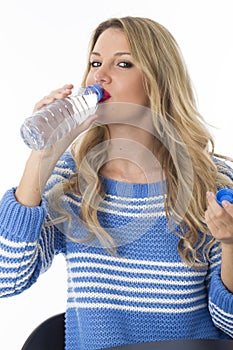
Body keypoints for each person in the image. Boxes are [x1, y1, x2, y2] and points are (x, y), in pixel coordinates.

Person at [0, 16, 233, 350]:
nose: (99, 75)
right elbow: (6, 278)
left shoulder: (211, 181)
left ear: (158, 81)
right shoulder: (72, 181)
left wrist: (231, 244)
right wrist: (42, 156)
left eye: (123, 63)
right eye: (95, 62)